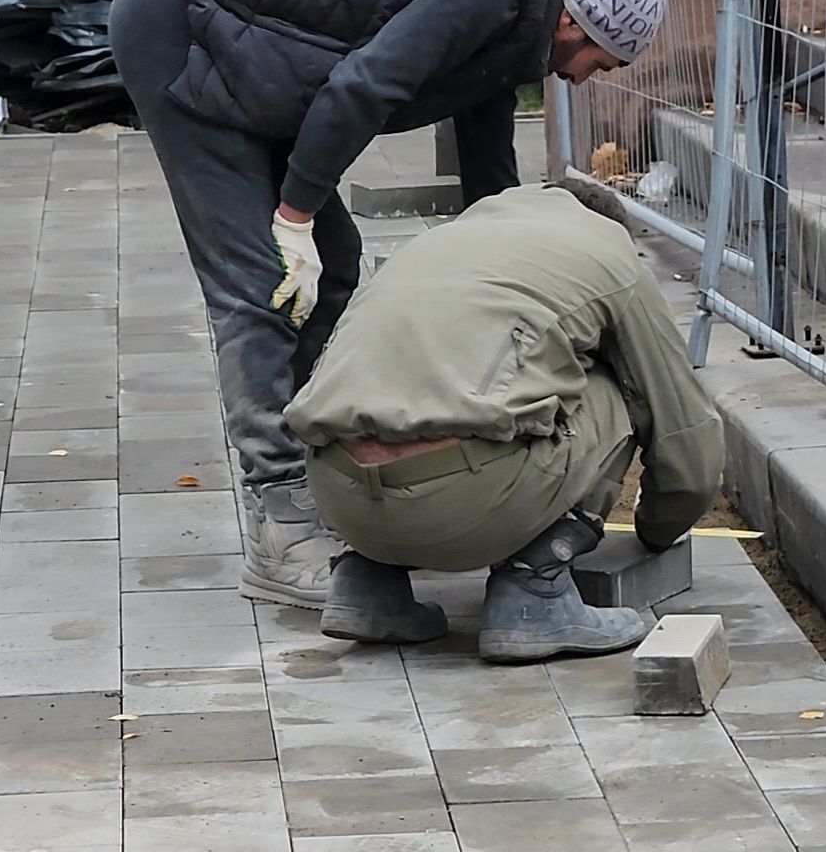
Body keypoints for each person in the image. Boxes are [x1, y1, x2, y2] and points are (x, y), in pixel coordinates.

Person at [109, 0, 667, 608]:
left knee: (333, 269)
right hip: (186, 19)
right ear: (574, 19)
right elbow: (365, 85)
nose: (590, 80)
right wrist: (295, 215)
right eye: (604, 60)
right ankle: (280, 517)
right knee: (262, 282)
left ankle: (325, 479)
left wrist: (514, 283)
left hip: (253, 45)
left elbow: (489, 180)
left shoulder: (517, 17)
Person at [283, 179, 724, 662]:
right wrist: (659, 531)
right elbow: (682, 428)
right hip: (465, 502)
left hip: (337, 495)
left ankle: (367, 583)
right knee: (621, 384)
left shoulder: (436, 243)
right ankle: (535, 595)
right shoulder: (608, 253)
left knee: (395, 385)